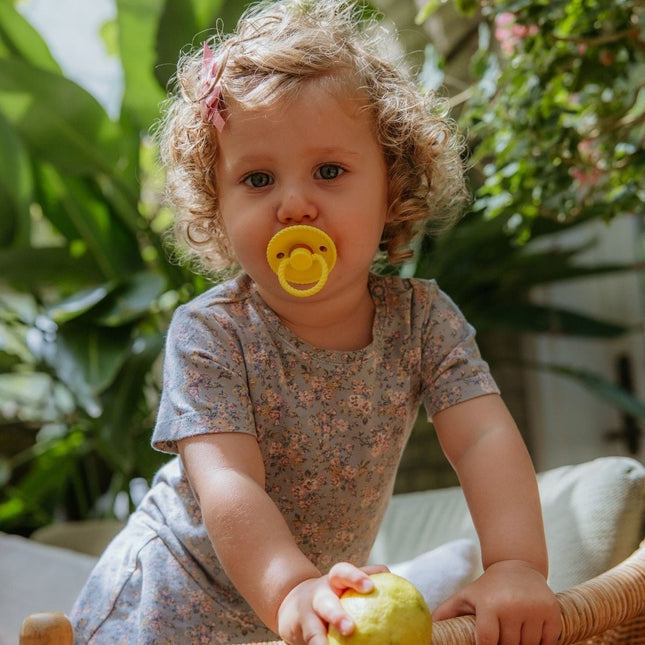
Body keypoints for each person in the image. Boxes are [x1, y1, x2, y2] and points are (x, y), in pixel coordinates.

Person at [70, 0, 561, 643]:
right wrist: (291, 586)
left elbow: (482, 441)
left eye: (329, 171)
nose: (294, 203)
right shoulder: (212, 334)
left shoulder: (422, 322)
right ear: (216, 208)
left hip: (307, 611)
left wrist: (517, 565)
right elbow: (227, 482)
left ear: (392, 189)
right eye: (257, 178)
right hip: (167, 604)